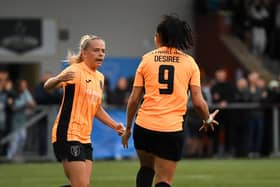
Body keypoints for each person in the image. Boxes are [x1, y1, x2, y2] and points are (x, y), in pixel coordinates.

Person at [121, 14, 219, 187]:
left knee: (146, 169)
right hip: (170, 129)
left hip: (144, 127)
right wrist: (207, 119)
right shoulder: (190, 63)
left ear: (160, 37)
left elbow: (134, 99)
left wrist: (128, 128)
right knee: (164, 180)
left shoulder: (147, 59)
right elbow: (198, 102)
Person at [44, 34, 125, 187]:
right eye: (96, 50)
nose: (101, 54)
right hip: (67, 133)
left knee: (82, 185)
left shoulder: (100, 78)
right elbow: (47, 86)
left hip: (85, 137)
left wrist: (115, 125)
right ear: (84, 53)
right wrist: (58, 79)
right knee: (80, 185)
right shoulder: (75, 71)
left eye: (103, 50)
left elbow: (97, 108)